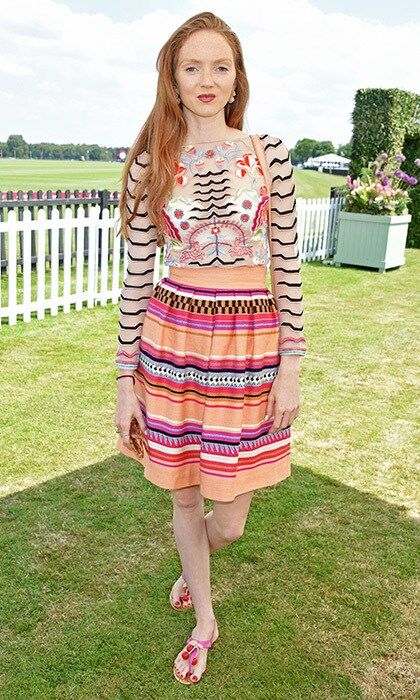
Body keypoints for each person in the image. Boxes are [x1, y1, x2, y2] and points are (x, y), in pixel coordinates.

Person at [114, 11, 307, 685]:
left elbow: (287, 263)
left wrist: (292, 362)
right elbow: (140, 275)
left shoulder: (269, 154)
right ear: (171, 79)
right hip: (172, 347)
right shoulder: (149, 163)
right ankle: (205, 620)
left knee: (230, 522)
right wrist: (123, 381)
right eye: (190, 66)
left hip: (251, 351)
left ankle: (197, 565)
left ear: (236, 79)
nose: (205, 79)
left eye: (218, 66)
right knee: (184, 498)